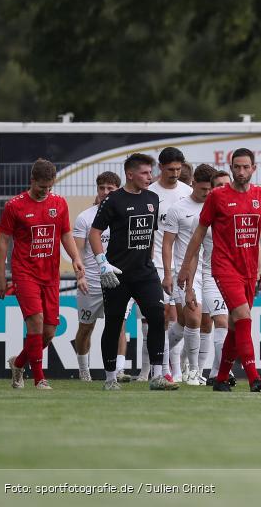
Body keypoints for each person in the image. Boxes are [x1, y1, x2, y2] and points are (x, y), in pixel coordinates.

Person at [177, 148, 261, 392]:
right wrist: (185, 269)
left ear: (254, 169)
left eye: (246, 167)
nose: (241, 171)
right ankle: (254, 378)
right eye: (237, 167)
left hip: (249, 270)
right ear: (231, 168)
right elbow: (199, 233)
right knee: (244, 317)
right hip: (224, 267)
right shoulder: (218, 197)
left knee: (234, 324)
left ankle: (221, 378)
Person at [0, 159, 87, 390]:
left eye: (49, 187)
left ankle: (18, 364)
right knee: (35, 323)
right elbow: (3, 240)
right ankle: (39, 379)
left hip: (50, 274)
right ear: (32, 180)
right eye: (41, 187)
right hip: (24, 272)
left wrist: (76, 258)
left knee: (48, 333)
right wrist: (0, 274)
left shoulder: (59, 203)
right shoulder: (14, 206)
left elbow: (65, 233)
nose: (45, 191)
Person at [90, 153, 177, 390]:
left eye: (150, 172)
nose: (150, 177)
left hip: (145, 273)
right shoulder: (113, 200)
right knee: (114, 324)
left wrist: (153, 265)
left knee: (158, 318)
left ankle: (158, 377)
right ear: (130, 174)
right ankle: (110, 379)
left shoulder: (152, 198)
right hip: (117, 274)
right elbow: (95, 232)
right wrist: (102, 262)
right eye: (145, 173)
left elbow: (149, 236)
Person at [73, 171, 133, 383]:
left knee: (119, 325)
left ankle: (117, 371)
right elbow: (78, 253)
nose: (106, 193)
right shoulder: (85, 218)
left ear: (118, 189)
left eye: (111, 189)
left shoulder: (127, 214)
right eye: (102, 188)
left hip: (119, 280)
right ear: (97, 190)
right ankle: (83, 370)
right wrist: (80, 277)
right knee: (86, 328)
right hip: (91, 282)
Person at [161, 164, 218, 385]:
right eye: (203, 189)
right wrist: (168, 274)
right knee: (193, 317)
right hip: (185, 271)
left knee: (202, 323)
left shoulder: (218, 207)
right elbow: (167, 244)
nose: (207, 193)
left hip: (212, 271)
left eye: (210, 189)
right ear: (193, 184)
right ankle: (192, 372)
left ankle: (176, 357)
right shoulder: (178, 209)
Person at [143, 147, 191, 382]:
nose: (174, 173)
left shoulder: (188, 193)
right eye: (170, 169)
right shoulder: (149, 193)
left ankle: (170, 365)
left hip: (182, 264)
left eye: (178, 169)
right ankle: (163, 370)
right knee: (161, 316)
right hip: (155, 265)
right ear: (160, 168)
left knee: (182, 318)